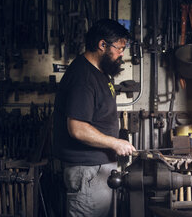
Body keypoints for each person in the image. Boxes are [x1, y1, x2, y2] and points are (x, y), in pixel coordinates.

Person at [53, 19, 136, 217]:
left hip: (95, 170)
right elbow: (77, 128)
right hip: (87, 172)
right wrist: (115, 143)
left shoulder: (99, 73)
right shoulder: (83, 77)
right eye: (119, 48)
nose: (121, 54)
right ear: (102, 45)